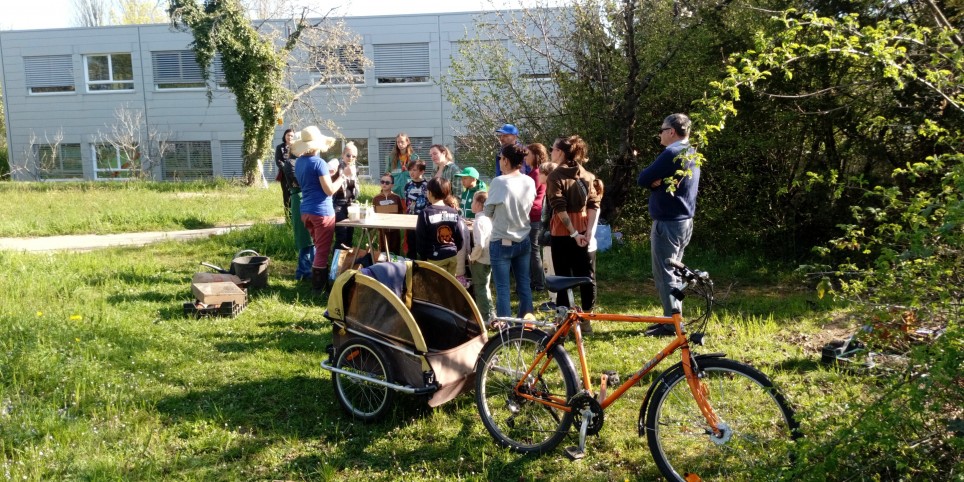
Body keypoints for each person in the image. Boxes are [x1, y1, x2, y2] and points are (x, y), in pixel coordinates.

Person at [636, 113, 700, 337]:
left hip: (668, 222)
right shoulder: (691, 151)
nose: (660, 134)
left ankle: (671, 322)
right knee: (675, 272)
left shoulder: (672, 153)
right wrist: (659, 183)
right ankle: (673, 318)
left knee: (666, 274)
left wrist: (655, 183)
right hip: (684, 221)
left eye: (662, 130)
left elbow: (643, 178)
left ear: (672, 131)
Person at [546, 135, 601, 332]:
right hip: (584, 229)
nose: (551, 152)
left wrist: (574, 233)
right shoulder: (587, 175)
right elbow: (594, 204)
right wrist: (588, 232)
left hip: (564, 232)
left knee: (562, 276)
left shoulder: (555, 176)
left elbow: (559, 208)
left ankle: (564, 323)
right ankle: (586, 320)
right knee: (587, 276)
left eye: (552, 149)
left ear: (560, 152)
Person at [484, 143, 536, 318]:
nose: (499, 161)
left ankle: (505, 328)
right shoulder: (529, 180)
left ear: (505, 161)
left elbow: (487, 211)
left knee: (503, 288)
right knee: (524, 284)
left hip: (501, 241)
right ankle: (528, 323)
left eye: (500, 158)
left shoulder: (499, 182)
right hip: (524, 239)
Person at [292, 125, 342, 296]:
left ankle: (317, 282)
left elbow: (310, 181)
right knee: (322, 250)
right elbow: (329, 190)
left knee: (317, 246)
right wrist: (341, 179)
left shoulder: (299, 162)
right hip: (322, 211)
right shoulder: (319, 163)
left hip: (305, 210)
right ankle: (318, 288)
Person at [279, 133, 314, 281]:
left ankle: (309, 269)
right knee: (304, 238)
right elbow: (299, 182)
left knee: (311, 238)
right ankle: (303, 272)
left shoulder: (300, 161)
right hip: (299, 198)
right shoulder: (291, 163)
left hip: (306, 198)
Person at [415, 177, 466, 275]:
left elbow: (420, 238)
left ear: (429, 193)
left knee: (436, 288)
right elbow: (460, 236)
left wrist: (424, 256)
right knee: (450, 286)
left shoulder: (425, 213)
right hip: (452, 255)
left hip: (435, 258)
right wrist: (455, 249)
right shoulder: (454, 212)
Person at [468, 190, 494, 321]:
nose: (471, 204)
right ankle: (491, 313)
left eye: (473, 201)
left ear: (478, 204)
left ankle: (484, 317)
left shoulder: (478, 221)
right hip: (490, 258)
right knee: (486, 286)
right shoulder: (489, 218)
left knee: (480, 288)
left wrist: (472, 257)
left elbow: (480, 244)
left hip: (481, 259)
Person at [526, 143, 548, 292]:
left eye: (528, 154)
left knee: (533, 250)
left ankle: (539, 283)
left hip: (533, 214)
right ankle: (535, 281)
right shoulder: (535, 171)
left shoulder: (535, 173)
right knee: (532, 249)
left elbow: (528, 195)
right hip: (534, 213)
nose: (525, 157)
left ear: (536, 155)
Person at [332, 142, 360, 250]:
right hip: (338, 203)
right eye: (348, 155)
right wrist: (343, 174)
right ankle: (336, 264)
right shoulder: (336, 167)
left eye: (354, 156)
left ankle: (348, 262)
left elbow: (354, 188)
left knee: (349, 234)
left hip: (350, 204)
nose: (351, 158)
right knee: (341, 235)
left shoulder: (355, 168)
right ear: (343, 155)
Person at [372, 172, 404, 256]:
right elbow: (373, 212)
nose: (384, 184)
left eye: (387, 182)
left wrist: (398, 223)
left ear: (392, 185)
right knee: (383, 250)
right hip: (382, 229)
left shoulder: (396, 197)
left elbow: (401, 211)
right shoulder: (376, 198)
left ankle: (395, 265)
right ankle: (383, 265)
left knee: (395, 249)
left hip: (395, 229)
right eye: (382, 182)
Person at [403, 160, 429, 259]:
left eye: (414, 170)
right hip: (411, 219)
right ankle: (411, 268)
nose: (411, 172)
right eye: (410, 170)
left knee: (423, 245)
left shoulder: (428, 186)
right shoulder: (408, 186)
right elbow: (407, 202)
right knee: (411, 244)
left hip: (424, 219)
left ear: (422, 172)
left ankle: (424, 267)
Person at [387, 133, 419, 199]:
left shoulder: (414, 158)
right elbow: (387, 174)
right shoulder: (391, 158)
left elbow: (418, 175)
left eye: (402, 142)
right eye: (398, 142)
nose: (400, 144)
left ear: (407, 142)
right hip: (395, 191)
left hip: (410, 191)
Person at [275, 128, 295, 217]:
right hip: (285, 175)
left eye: (291, 136)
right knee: (287, 197)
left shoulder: (296, 146)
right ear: (284, 136)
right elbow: (278, 161)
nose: (289, 137)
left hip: (296, 175)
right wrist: (287, 169)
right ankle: (288, 218)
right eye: (288, 135)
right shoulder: (280, 147)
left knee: (295, 195)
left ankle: (296, 216)